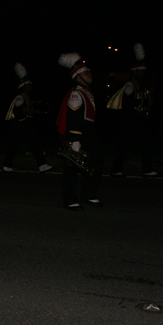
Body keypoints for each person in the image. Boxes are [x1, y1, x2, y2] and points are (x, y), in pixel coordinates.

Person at [57, 53, 104, 209]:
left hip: (88, 134)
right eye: (85, 73)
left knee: (96, 164)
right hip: (78, 135)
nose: (89, 75)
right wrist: (74, 140)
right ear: (78, 77)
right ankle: (70, 200)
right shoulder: (77, 94)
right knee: (71, 169)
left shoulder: (86, 92)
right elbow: (74, 118)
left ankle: (88, 195)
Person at [107, 43, 158, 176]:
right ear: (136, 72)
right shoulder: (130, 85)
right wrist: (144, 102)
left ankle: (146, 169)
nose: (143, 73)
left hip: (138, 120)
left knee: (145, 146)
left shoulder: (141, 85)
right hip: (130, 121)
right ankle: (116, 170)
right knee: (124, 147)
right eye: (141, 71)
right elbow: (129, 102)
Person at [3, 63, 52, 173]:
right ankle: (7, 165)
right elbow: (20, 110)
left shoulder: (27, 97)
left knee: (33, 144)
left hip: (26, 124)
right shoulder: (20, 97)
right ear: (24, 86)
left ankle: (42, 165)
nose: (31, 86)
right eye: (29, 85)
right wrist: (35, 111)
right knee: (14, 145)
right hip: (21, 124)